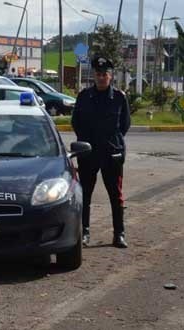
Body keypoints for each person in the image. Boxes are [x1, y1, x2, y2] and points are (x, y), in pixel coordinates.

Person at [71, 56, 131, 249]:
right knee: (85, 195)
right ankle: (84, 232)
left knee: (115, 194)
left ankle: (119, 234)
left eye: (105, 74)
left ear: (110, 76)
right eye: (98, 74)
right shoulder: (84, 97)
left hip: (111, 154)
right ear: (94, 76)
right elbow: (76, 122)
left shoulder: (120, 98)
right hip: (88, 153)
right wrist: (85, 142)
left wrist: (113, 142)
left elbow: (124, 125)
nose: (101, 77)